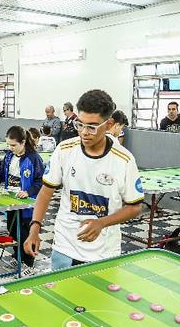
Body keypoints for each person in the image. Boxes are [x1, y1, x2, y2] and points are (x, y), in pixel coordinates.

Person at [24, 90, 145, 271]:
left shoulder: (124, 160)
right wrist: (35, 227)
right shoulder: (64, 150)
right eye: (80, 125)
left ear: (108, 124)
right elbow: (45, 192)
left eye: (92, 127)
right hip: (65, 245)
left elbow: (135, 206)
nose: (84, 132)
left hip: (104, 251)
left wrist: (102, 222)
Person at [0, 126, 45, 272]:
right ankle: (18, 257)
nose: (10, 148)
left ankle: (29, 263)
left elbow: (41, 181)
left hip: (27, 205)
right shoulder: (9, 156)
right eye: (8, 145)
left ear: (23, 142)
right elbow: (0, 173)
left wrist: (28, 192)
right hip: (11, 201)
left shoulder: (34, 158)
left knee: (26, 234)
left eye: (13, 145)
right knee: (12, 231)